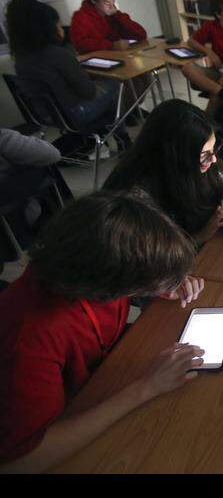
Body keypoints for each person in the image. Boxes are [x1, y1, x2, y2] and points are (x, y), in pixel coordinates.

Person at [0, 191, 208, 473]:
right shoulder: (31, 335)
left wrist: (166, 280)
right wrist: (147, 387)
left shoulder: (85, 267)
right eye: (142, 284)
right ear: (111, 282)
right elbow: (21, 462)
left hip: (100, 377)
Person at [102, 99, 223, 245]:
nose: (213, 160)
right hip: (177, 262)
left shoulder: (192, 163)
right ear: (174, 154)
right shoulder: (137, 198)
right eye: (205, 154)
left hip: (205, 245)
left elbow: (220, 183)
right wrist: (201, 236)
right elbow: (152, 258)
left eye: (213, 149)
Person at [5, 0, 131, 145]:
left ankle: (100, 136)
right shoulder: (59, 54)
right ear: (48, 28)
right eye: (58, 24)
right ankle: (122, 139)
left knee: (103, 92)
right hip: (74, 114)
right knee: (115, 84)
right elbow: (88, 92)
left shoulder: (21, 58)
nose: (61, 27)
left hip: (46, 116)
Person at [0, 129, 69, 262]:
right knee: (43, 165)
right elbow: (53, 155)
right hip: (18, 223)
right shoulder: (3, 138)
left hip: (8, 235)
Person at [69, 0, 147, 54]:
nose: (112, 7)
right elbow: (80, 45)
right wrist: (111, 45)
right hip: (97, 60)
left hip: (118, 56)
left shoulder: (113, 15)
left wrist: (118, 15)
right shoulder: (80, 17)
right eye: (107, 3)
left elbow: (141, 34)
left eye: (113, 2)